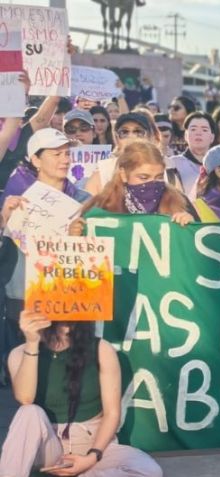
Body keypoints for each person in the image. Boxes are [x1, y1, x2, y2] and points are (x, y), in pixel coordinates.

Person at [0, 312, 162, 477]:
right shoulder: (19, 353)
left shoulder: (102, 349)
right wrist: (32, 342)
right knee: (29, 411)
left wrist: (92, 457)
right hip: (46, 444)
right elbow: (25, 398)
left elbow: (112, 414)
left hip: (90, 443)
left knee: (148, 470)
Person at [0, 129, 91, 366]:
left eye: (67, 153)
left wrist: (76, 240)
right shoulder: (15, 201)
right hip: (22, 297)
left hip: (68, 299)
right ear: (36, 160)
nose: (65, 159)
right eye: (56, 154)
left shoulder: (85, 200)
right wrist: (3, 221)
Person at [74, 141, 195, 230]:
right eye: (143, 177)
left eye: (158, 177)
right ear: (124, 175)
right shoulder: (101, 205)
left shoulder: (180, 202)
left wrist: (191, 227)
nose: (152, 184)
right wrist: (75, 236)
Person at [84, 112, 157, 195]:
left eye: (138, 132)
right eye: (124, 132)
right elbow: (89, 206)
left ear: (149, 136)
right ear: (116, 138)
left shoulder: (164, 173)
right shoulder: (103, 173)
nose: (131, 137)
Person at [166, 111, 218, 198]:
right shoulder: (173, 163)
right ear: (186, 135)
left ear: (212, 137)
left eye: (204, 130)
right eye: (193, 129)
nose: (198, 133)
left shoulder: (219, 166)